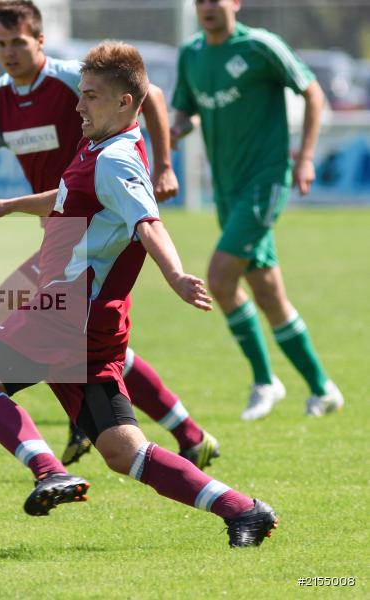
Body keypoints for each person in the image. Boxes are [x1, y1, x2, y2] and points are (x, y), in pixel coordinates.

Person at [0, 40, 278, 547]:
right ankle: (243, 509)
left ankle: (49, 472)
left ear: (124, 101)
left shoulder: (117, 161)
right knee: (122, 450)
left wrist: (174, 275)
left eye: (89, 96)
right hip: (90, 325)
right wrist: (11, 205)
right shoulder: (101, 145)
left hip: (67, 315)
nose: (78, 105)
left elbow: (148, 224)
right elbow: (68, 197)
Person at [0, 0, 219, 469]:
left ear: (39, 40)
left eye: (18, 42)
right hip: (59, 232)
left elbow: (150, 95)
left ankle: (101, 433)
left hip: (90, 234)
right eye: (0, 44)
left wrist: (163, 166)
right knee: (81, 337)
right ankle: (184, 430)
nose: (9, 53)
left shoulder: (71, 82)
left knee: (26, 318)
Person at [170, 0, 343, 420]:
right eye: (201, 1)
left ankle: (265, 381)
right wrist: (170, 131)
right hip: (226, 192)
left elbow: (312, 91)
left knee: (219, 278)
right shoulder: (191, 54)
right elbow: (186, 111)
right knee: (267, 292)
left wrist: (304, 157)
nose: (208, 7)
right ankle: (323, 389)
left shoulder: (261, 46)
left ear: (235, 2)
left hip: (265, 182)